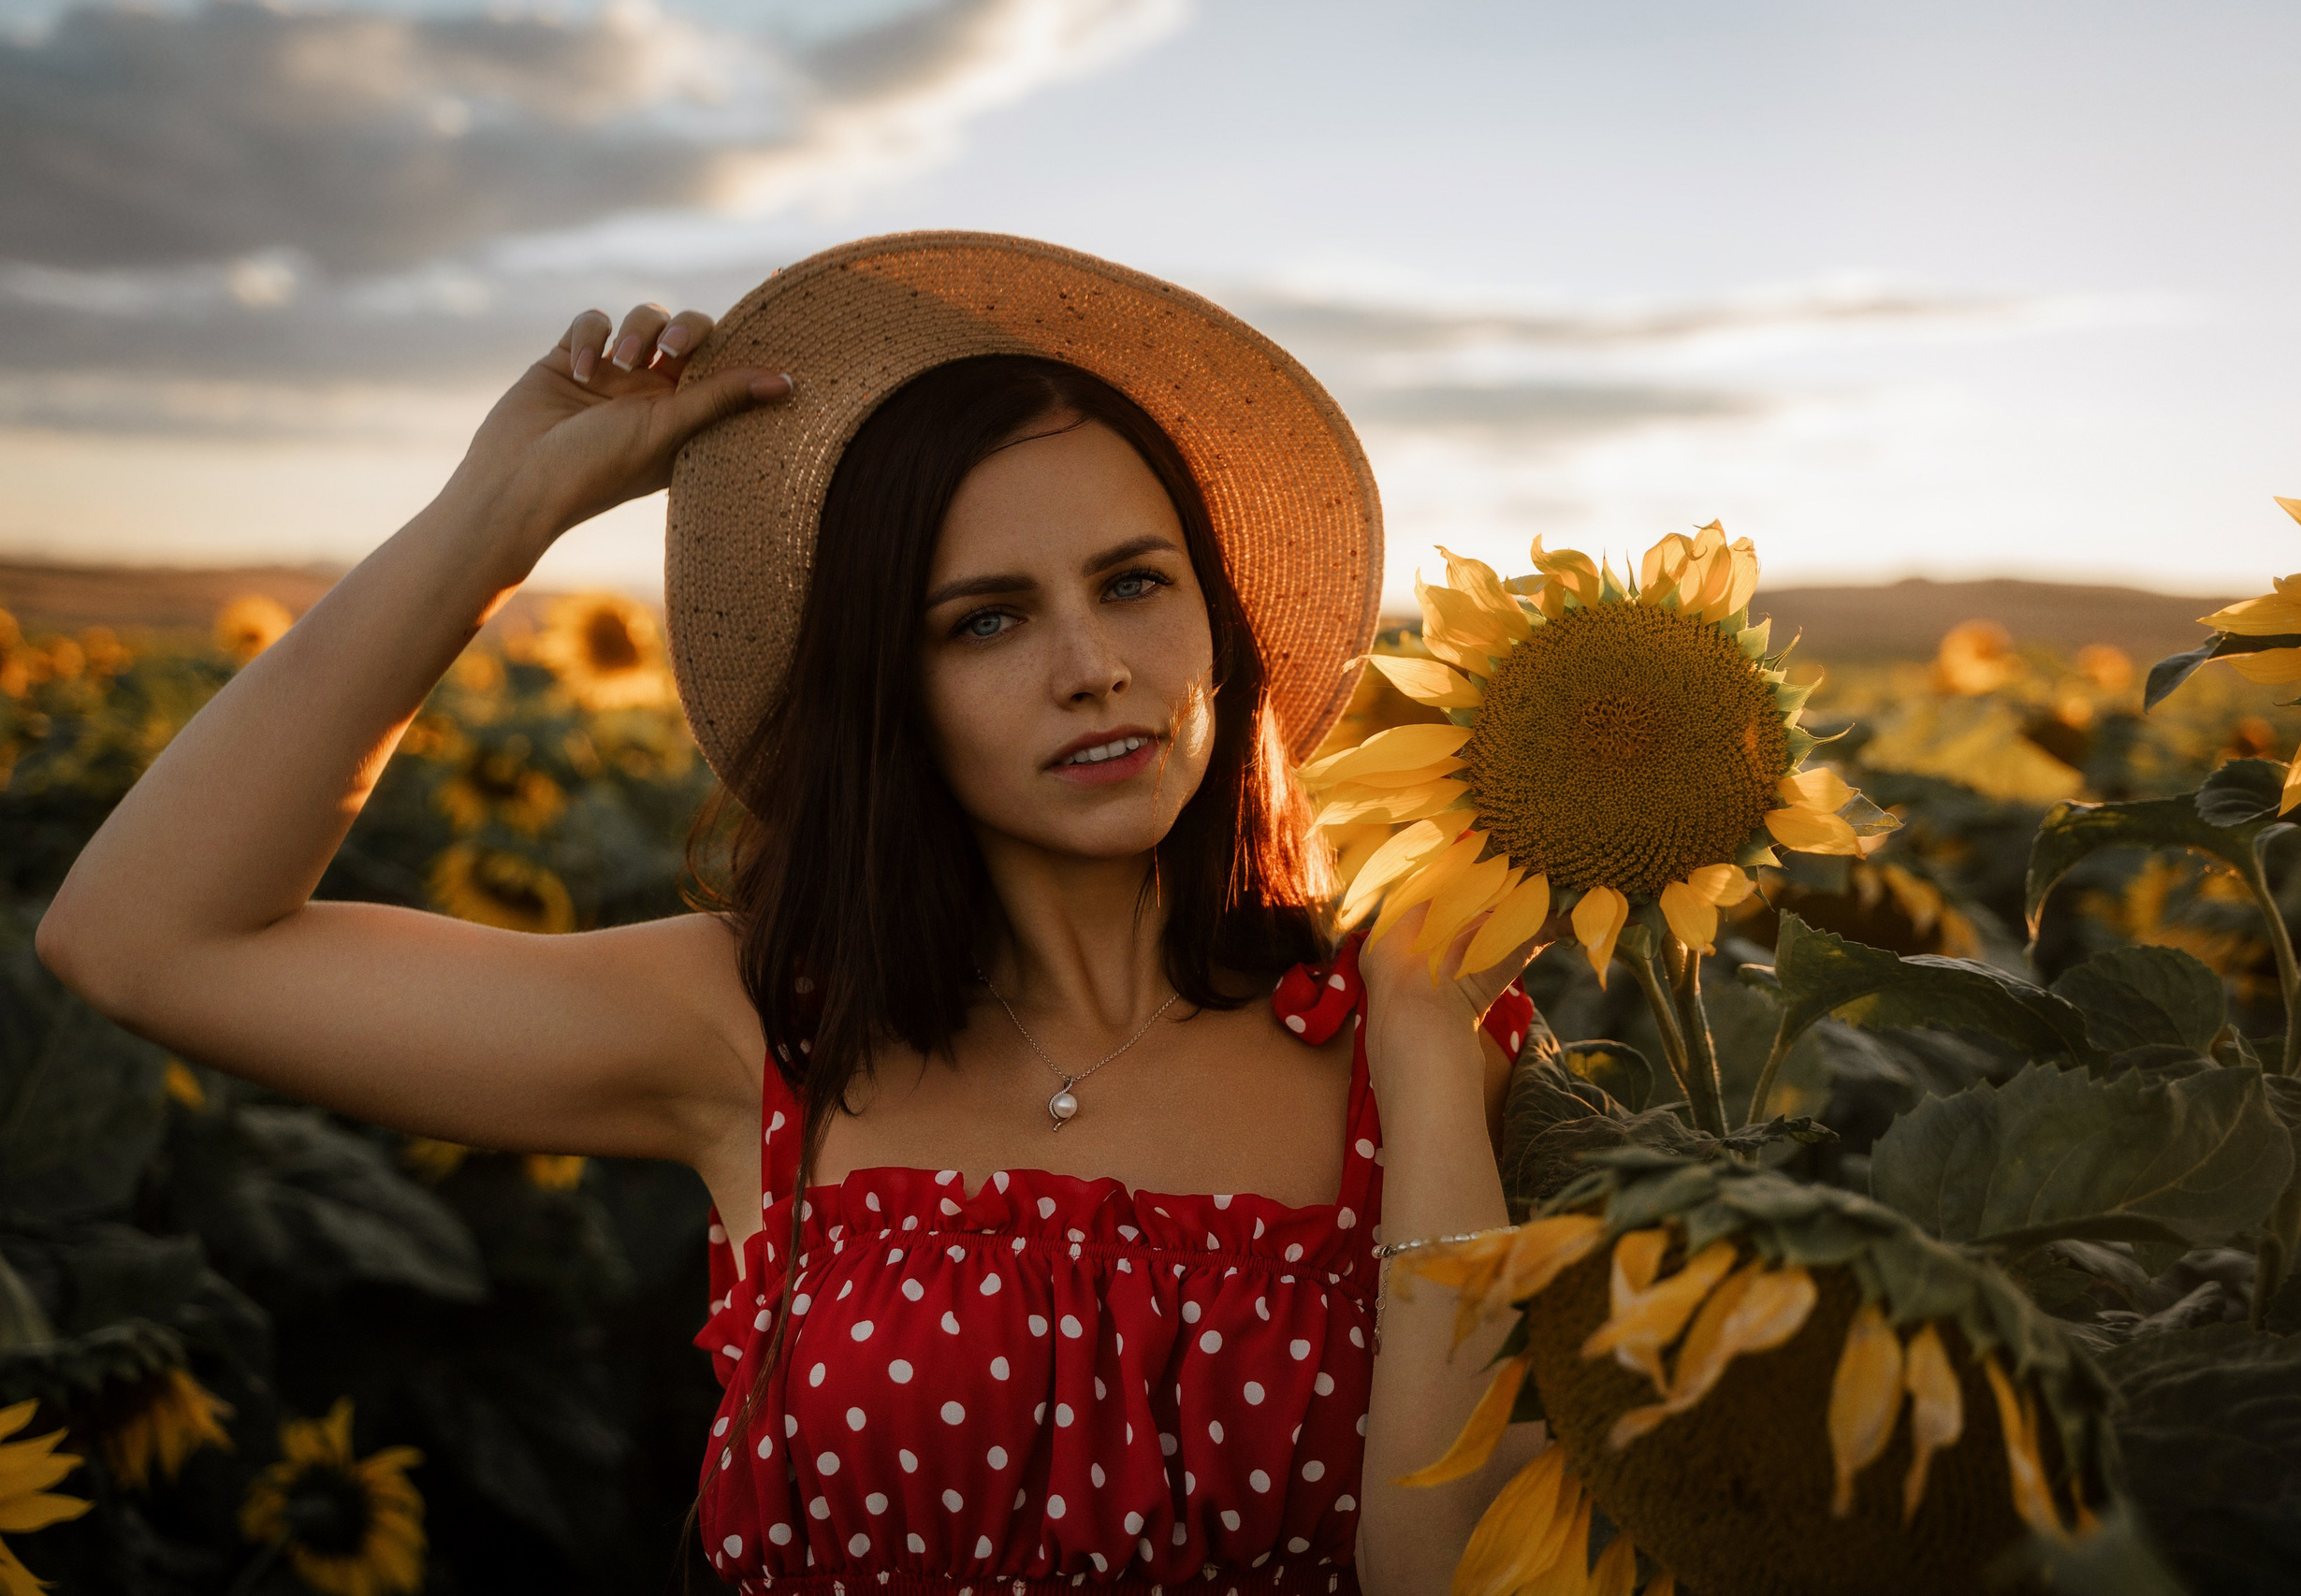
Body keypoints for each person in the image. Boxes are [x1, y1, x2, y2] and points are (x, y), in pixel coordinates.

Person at [36, 232, 1557, 1593]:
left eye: (1136, 583)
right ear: (886, 692)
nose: (1093, 664)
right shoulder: (760, 1030)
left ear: (1219, 633)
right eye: (988, 619)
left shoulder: (1402, 1041)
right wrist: (500, 514)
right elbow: (148, 936)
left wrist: (1426, 1046)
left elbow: (1448, 1566)